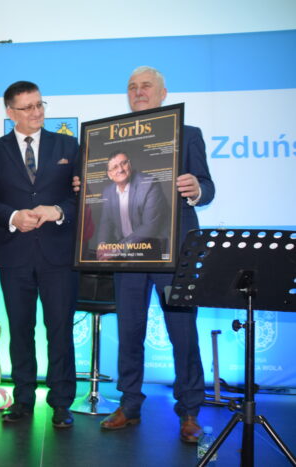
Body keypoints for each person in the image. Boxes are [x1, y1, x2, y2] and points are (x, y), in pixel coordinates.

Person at [98, 66, 215, 443]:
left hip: (173, 254)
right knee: (129, 331)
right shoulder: (111, 143)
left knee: (183, 333)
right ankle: (129, 404)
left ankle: (190, 410)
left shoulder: (189, 134)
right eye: (132, 87)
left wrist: (197, 188)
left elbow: (208, 187)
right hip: (127, 256)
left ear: (163, 93)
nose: (138, 91)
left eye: (146, 86)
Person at [0, 81, 78, 428]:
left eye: (39, 105)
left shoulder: (69, 145)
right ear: (10, 112)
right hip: (15, 253)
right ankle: (22, 399)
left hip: (58, 254)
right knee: (20, 329)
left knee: (60, 330)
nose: (36, 112)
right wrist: (12, 217)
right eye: (27, 107)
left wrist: (58, 211)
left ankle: (62, 402)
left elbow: (83, 196)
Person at [95, 150, 169, 261]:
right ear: (109, 175)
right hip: (125, 248)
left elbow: (150, 226)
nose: (120, 169)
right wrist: (102, 245)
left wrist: (117, 249)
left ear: (130, 164)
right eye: (115, 167)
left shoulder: (149, 184)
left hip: (152, 247)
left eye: (124, 163)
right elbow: (106, 222)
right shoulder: (108, 191)